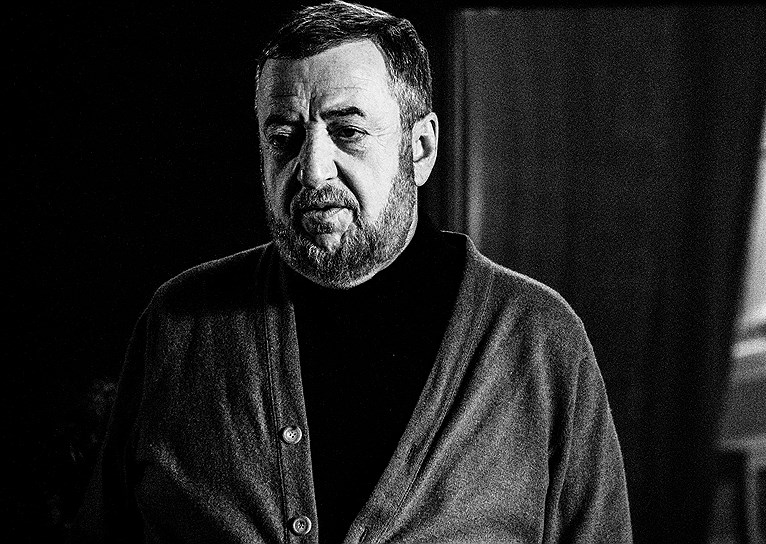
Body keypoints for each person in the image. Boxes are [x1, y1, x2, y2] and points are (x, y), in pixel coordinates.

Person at [70, 2, 632, 542]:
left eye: (348, 132)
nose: (312, 170)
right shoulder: (179, 324)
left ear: (421, 148)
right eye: (283, 138)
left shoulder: (537, 340)